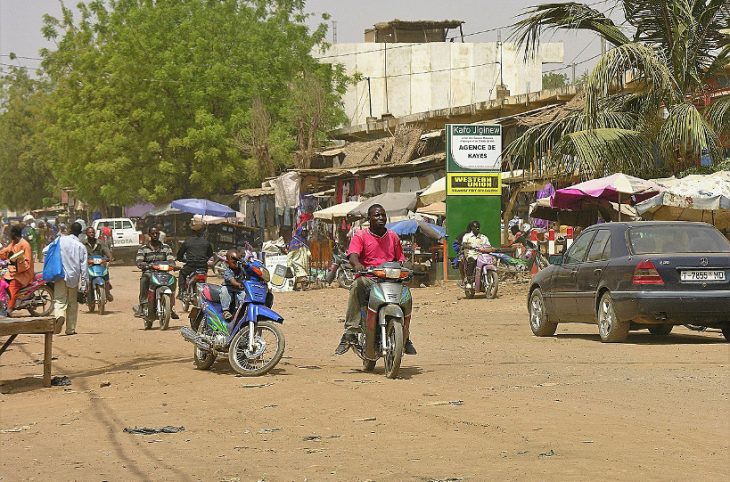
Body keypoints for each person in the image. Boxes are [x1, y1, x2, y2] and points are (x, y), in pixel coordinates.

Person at [334, 204, 417, 356]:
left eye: (383, 215)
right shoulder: (361, 235)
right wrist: (358, 265)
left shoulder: (393, 236)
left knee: (406, 295)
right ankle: (350, 333)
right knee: (357, 286)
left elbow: (400, 259)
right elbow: (353, 254)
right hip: (369, 278)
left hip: (391, 279)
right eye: (377, 215)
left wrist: (408, 267)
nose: (380, 218)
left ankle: (406, 336)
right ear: (369, 218)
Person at [134, 226, 178, 319]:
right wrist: (144, 265)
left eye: (157, 233)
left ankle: (171, 306)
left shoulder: (166, 247)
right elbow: (139, 260)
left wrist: (173, 265)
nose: (155, 235)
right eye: (153, 233)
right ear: (149, 235)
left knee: (173, 280)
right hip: (150, 272)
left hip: (163, 273)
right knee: (144, 280)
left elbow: (170, 259)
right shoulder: (143, 248)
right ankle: (142, 306)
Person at [52, 222, 88, 335]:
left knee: (59, 299)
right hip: (74, 277)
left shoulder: (59, 241)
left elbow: (45, 251)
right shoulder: (81, 246)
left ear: (69, 230)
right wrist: (84, 285)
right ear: (80, 232)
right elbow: (84, 268)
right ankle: (70, 329)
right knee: (72, 303)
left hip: (59, 275)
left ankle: (59, 315)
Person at [0, 225, 34, 317]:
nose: (9, 235)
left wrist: (17, 263)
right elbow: (6, 251)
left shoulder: (25, 245)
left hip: (23, 273)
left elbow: (27, 263)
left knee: (12, 288)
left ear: (14, 234)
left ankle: (9, 310)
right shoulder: (13, 243)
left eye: (10, 233)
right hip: (13, 271)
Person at [176, 220, 213, 301]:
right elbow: (210, 254)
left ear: (191, 231)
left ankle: (181, 292)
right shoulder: (206, 242)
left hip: (190, 266)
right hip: (203, 268)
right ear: (202, 231)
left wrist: (183, 260)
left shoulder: (187, 242)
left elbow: (179, 256)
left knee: (182, 272)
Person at [82, 226, 114, 302]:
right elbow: (80, 254)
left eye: (93, 232)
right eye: (89, 232)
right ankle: (86, 292)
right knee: (87, 280)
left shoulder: (100, 243)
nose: (91, 234)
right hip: (88, 265)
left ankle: (107, 291)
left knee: (106, 274)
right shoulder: (83, 244)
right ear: (86, 233)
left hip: (100, 265)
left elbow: (106, 251)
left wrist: (109, 257)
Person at [460, 220, 492, 289]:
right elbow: (464, 244)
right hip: (471, 254)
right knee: (472, 262)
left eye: (478, 227)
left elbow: (488, 245)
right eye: (475, 227)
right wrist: (469, 246)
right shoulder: (467, 236)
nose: (477, 228)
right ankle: (469, 281)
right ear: (472, 227)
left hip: (482, 255)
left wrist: (490, 249)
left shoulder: (483, 237)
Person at [220, 249, 246, 320]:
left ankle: (242, 310)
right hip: (229, 287)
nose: (236, 264)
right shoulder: (228, 271)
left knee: (243, 295)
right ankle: (225, 311)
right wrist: (238, 284)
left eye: (238, 262)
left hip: (239, 288)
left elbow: (247, 265)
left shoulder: (241, 268)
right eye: (234, 262)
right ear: (228, 263)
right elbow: (232, 281)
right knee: (224, 292)